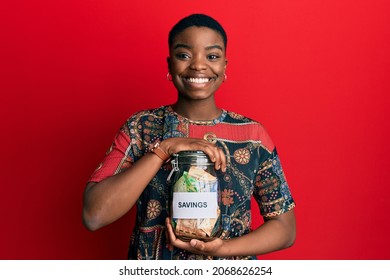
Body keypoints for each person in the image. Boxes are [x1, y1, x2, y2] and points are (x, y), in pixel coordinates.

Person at [82, 13, 296, 260]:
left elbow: (285, 228)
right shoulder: (142, 127)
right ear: (169, 64)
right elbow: (94, 215)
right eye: (184, 55)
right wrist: (165, 148)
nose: (198, 65)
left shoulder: (252, 136)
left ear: (224, 66)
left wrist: (221, 248)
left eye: (212, 56)